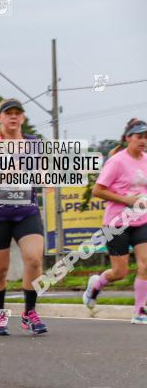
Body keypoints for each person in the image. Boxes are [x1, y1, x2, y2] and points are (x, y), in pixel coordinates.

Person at [0, 98, 47, 336]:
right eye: (8, 113)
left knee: (35, 259)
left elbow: (47, 173)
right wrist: (4, 174)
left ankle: (30, 312)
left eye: (17, 113)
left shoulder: (35, 145)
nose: (13, 117)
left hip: (26, 211)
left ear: (23, 118)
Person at [83, 118, 147, 323]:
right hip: (117, 222)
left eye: (146, 137)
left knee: (146, 265)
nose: (143, 141)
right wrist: (126, 199)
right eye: (139, 137)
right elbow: (97, 190)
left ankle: (139, 311)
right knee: (119, 272)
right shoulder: (117, 161)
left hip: (142, 220)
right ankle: (95, 286)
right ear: (128, 138)